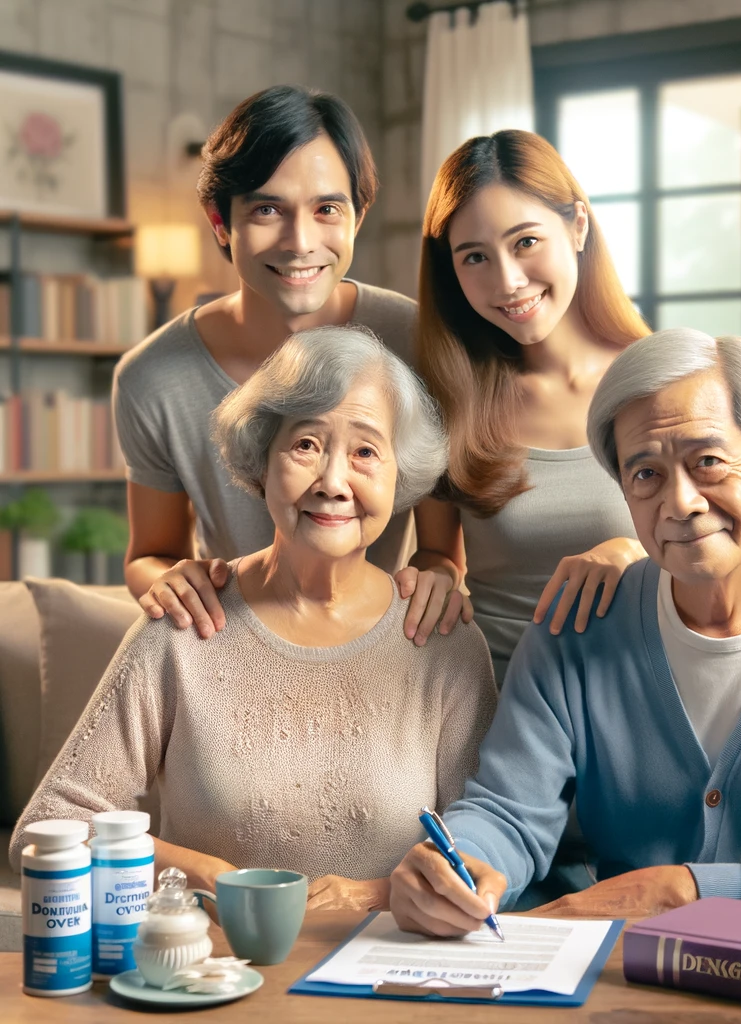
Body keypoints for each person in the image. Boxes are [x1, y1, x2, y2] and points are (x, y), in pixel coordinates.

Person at [388, 328, 741, 934]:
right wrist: (462, 865)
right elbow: (506, 811)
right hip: (617, 980)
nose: (680, 502)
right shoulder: (576, 629)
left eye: (707, 461)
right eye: (645, 475)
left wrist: (688, 890)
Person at [12, 327, 497, 911]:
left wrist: (371, 896)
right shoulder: (184, 624)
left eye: (366, 451)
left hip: (384, 970)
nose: (333, 482)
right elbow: (48, 826)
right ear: (261, 461)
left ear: (401, 479)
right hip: (207, 972)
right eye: (306, 445)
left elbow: (482, 851)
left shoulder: (441, 638)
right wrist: (207, 876)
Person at [115, 85, 437, 642]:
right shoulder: (153, 377)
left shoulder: (416, 341)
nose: (300, 242)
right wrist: (170, 581)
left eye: (327, 209)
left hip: (383, 645)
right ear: (221, 222)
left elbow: (439, 550)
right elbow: (151, 553)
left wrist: (439, 579)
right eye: (267, 209)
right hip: (231, 644)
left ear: (357, 218)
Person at [398, 130, 650, 682]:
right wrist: (433, 574)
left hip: (641, 694)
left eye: (526, 242)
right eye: (475, 258)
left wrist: (638, 553)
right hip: (497, 703)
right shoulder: (449, 396)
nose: (508, 281)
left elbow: (727, 550)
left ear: (577, 226)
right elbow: (440, 555)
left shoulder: (659, 382)